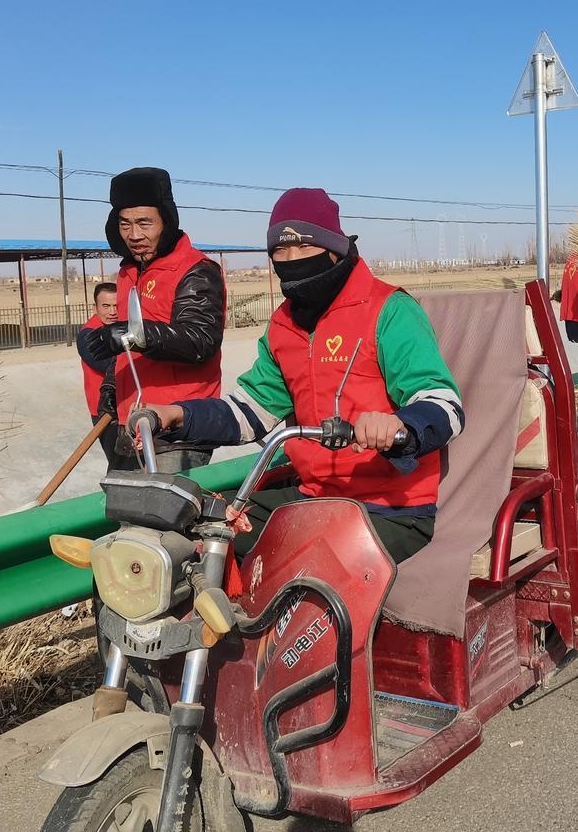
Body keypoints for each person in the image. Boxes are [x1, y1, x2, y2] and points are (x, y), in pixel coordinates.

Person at [144, 188, 464, 564]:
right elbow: (253, 411)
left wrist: (400, 427)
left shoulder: (388, 310)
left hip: (389, 508)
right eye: (280, 251)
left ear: (334, 250)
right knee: (208, 535)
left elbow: (446, 405)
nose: (291, 260)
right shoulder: (284, 324)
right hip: (313, 496)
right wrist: (180, 415)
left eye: (303, 247)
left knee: (307, 571)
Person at [98, 167, 226, 472]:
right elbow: (132, 353)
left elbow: (200, 339)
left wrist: (136, 335)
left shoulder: (195, 269)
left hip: (177, 431)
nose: (134, 235)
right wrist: (112, 385)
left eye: (145, 223)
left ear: (166, 221)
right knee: (122, 513)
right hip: (133, 425)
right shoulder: (130, 271)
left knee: (159, 517)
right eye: (124, 224)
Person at [75, 283, 120, 461]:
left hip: (128, 408)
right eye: (106, 306)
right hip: (106, 413)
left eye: (117, 305)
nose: (112, 312)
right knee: (120, 465)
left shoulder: (121, 328)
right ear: (96, 307)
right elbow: (112, 366)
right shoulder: (88, 335)